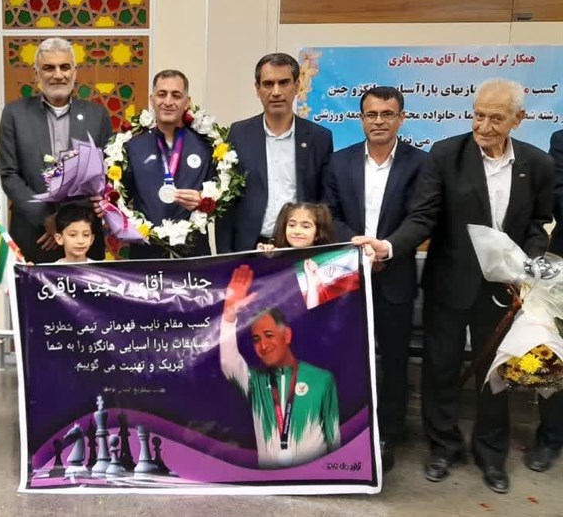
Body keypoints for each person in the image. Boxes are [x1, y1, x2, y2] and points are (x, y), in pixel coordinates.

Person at [353, 78, 554, 493]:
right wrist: (390, 246)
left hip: (504, 290)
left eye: (496, 119)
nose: (483, 126)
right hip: (449, 283)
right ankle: (443, 447)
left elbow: (539, 222)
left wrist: (526, 265)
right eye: (478, 115)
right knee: (440, 368)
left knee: (494, 374)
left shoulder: (536, 164)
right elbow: (423, 216)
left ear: (518, 119)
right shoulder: (446, 155)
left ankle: (491, 454)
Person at [323, 86, 428, 473]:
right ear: (361, 118)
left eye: (387, 114)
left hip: (394, 274)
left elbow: (421, 217)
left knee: (394, 360)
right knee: (346, 357)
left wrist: (386, 248)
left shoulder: (420, 163)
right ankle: (347, 429)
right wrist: (358, 248)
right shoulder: (339, 162)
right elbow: (329, 213)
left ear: (401, 118)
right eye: (371, 114)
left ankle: (389, 433)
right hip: (347, 275)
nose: (379, 121)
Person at [0, 37, 112, 263]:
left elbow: (107, 173)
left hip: (84, 237)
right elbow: (9, 175)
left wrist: (69, 224)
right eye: (49, 68)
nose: (58, 75)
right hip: (35, 235)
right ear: (36, 74)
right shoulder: (15, 114)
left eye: (65, 67)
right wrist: (46, 219)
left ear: (75, 72)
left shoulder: (97, 115)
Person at [219, 265, 340, 468]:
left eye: (269, 335)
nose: (263, 345)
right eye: (256, 339)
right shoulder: (254, 382)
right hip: (271, 479)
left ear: (287, 336)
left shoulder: (321, 379)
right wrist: (229, 315)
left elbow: (334, 438)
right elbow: (228, 361)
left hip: (314, 477)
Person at [216, 52, 333, 253]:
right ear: (257, 89)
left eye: (284, 83)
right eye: (268, 84)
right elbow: (227, 202)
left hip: (299, 249)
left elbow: (324, 201)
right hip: (249, 248)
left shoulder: (319, 137)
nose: (276, 92)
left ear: (297, 86)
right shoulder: (238, 134)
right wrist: (224, 256)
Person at [119, 69, 216, 259]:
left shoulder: (207, 146)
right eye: (162, 94)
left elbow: (221, 200)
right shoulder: (133, 146)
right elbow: (120, 199)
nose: (168, 102)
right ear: (152, 99)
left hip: (193, 252)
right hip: (146, 251)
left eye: (176, 95)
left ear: (187, 102)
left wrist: (203, 201)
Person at [523, 129, 563, 473]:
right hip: (562, 268)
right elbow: (557, 198)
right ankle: (550, 437)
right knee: (552, 356)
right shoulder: (561, 140)